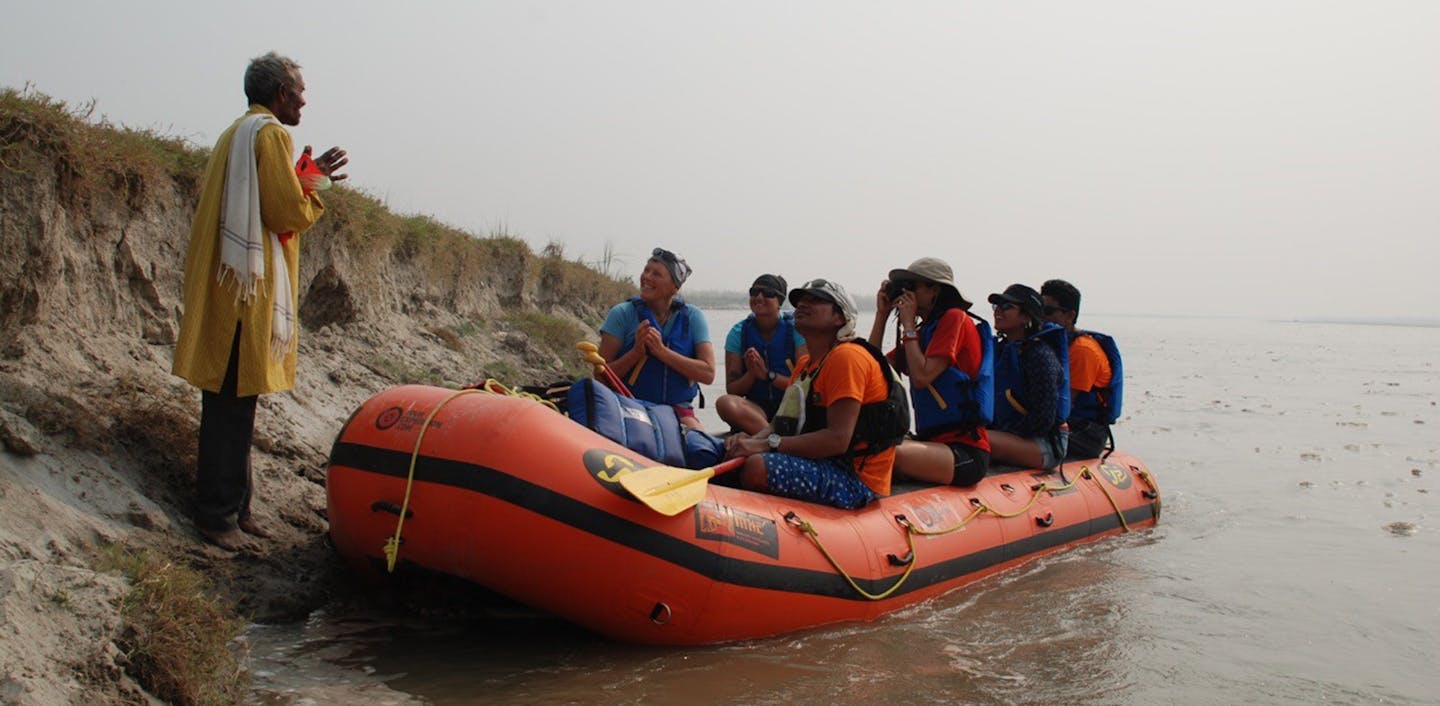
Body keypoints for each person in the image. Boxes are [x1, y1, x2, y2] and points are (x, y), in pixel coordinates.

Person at [172, 52, 349, 551]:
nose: (304, 99)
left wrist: (303, 172)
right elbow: (284, 208)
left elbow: (267, 190)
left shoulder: (237, 132)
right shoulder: (270, 134)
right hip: (244, 295)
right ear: (278, 94)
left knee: (234, 404)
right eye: (298, 91)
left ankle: (238, 507)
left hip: (228, 285)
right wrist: (315, 183)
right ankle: (217, 517)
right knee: (230, 408)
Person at [725, 279, 905, 509]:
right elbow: (777, 425)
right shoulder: (804, 366)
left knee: (757, 466)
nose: (803, 305)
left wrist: (765, 445)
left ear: (839, 318)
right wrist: (748, 441)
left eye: (816, 300)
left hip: (853, 477)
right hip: (818, 461)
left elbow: (838, 440)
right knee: (727, 450)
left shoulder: (847, 357)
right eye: (801, 300)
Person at [868, 257, 992, 486]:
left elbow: (922, 377)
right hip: (930, 442)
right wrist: (882, 315)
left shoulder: (955, 319)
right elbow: (872, 368)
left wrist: (908, 326)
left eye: (912, 286)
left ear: (934, 289)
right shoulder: (924, 333)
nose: (905, 293)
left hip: (964, 450)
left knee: (883, 456)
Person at [598, 247, 715, 429]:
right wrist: (636, 353)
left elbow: (708, 374)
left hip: (678, 410)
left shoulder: (693, 317)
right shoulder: (621, 314)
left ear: (675, 287)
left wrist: (662, 352)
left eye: (657, 274)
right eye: (646, 270)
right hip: (629, 406)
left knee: (700, 447)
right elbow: (600, 377)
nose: (647, 277)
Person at [986, 284, 1070, 470]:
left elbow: (1043, 419)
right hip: (1012, 434)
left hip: (1044, 443)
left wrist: (1005, 433)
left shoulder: (1040, 355)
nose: (998, 311)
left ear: (1026, 316)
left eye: (1007, 307)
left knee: (978, 440)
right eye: (996, 306)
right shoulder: (1002, 351)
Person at [1041, 279, 1123, 460]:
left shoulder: (1082, 350)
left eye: (1048, 311)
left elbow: (1066, 404)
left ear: (1069, 315)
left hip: (1086, 432)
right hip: (1066, 424)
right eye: (1039, 309)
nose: (1041, 316)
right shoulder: (1050, 345)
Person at [715, 274, 807, 434]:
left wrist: (767, 375)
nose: (759, 297)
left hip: (792, 407)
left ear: (780, 301)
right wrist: (752, 374)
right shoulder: (738, 333)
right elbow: (733, 389)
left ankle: (772, 441)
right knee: (725, 403)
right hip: (757, 409)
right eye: (754, 292)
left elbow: (805, 386)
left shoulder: (797, 331)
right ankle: (771, 438)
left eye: (768, 293)